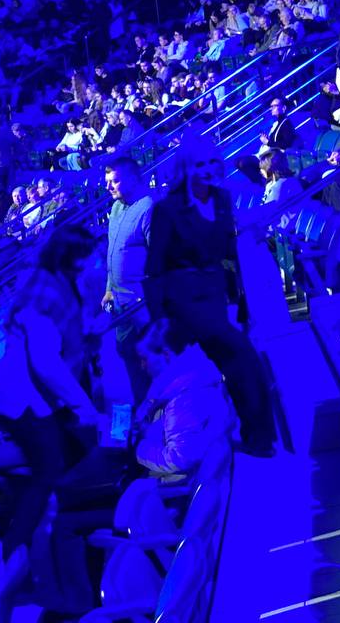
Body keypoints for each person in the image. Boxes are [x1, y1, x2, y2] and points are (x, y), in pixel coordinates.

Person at [145, 136, 277, 458]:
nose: (207, 170)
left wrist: (239, 300)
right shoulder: (166, 209)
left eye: (212, 162)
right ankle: (259, 438)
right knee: (243, 358)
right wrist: (158, 317)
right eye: (199, 164)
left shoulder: (222, 199)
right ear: (185, 168)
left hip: (215, 293)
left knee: (239, 364)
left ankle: (256, 438)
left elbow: (228, 252)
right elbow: (154, 267)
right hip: (184, 297)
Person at [0, 226, 100, 556]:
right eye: (88, 255)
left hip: (42, 399)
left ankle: (35, 531)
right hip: (26, 400)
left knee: (66, 456)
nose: (95, 261)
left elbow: (67, 340)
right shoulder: (41, 292)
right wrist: (83, 406)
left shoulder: (63, 283)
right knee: (48, 469)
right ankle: (10, 554)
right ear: (72, 257)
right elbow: (45, 363)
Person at [133, 319, 232, 483]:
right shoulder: (190, 372)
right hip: (202, 470)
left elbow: (178, 459)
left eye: (144, 358)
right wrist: (145, 422)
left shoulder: (182, 398)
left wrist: (139, 450)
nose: (142, 366)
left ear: (166, 354)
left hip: (186, 482)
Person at [102, 157, 153, 403]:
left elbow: (159, 258)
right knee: (128, 355)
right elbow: (113, 251)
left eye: (115, 181)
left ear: (133, 178)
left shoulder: (149, 207)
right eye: (107, 181)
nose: (108, 187)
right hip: (120, 305)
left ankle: (159, 411)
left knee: (151, 359)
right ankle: (144, 409)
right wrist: (108, 289)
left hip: (143, 305)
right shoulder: (115, 208)